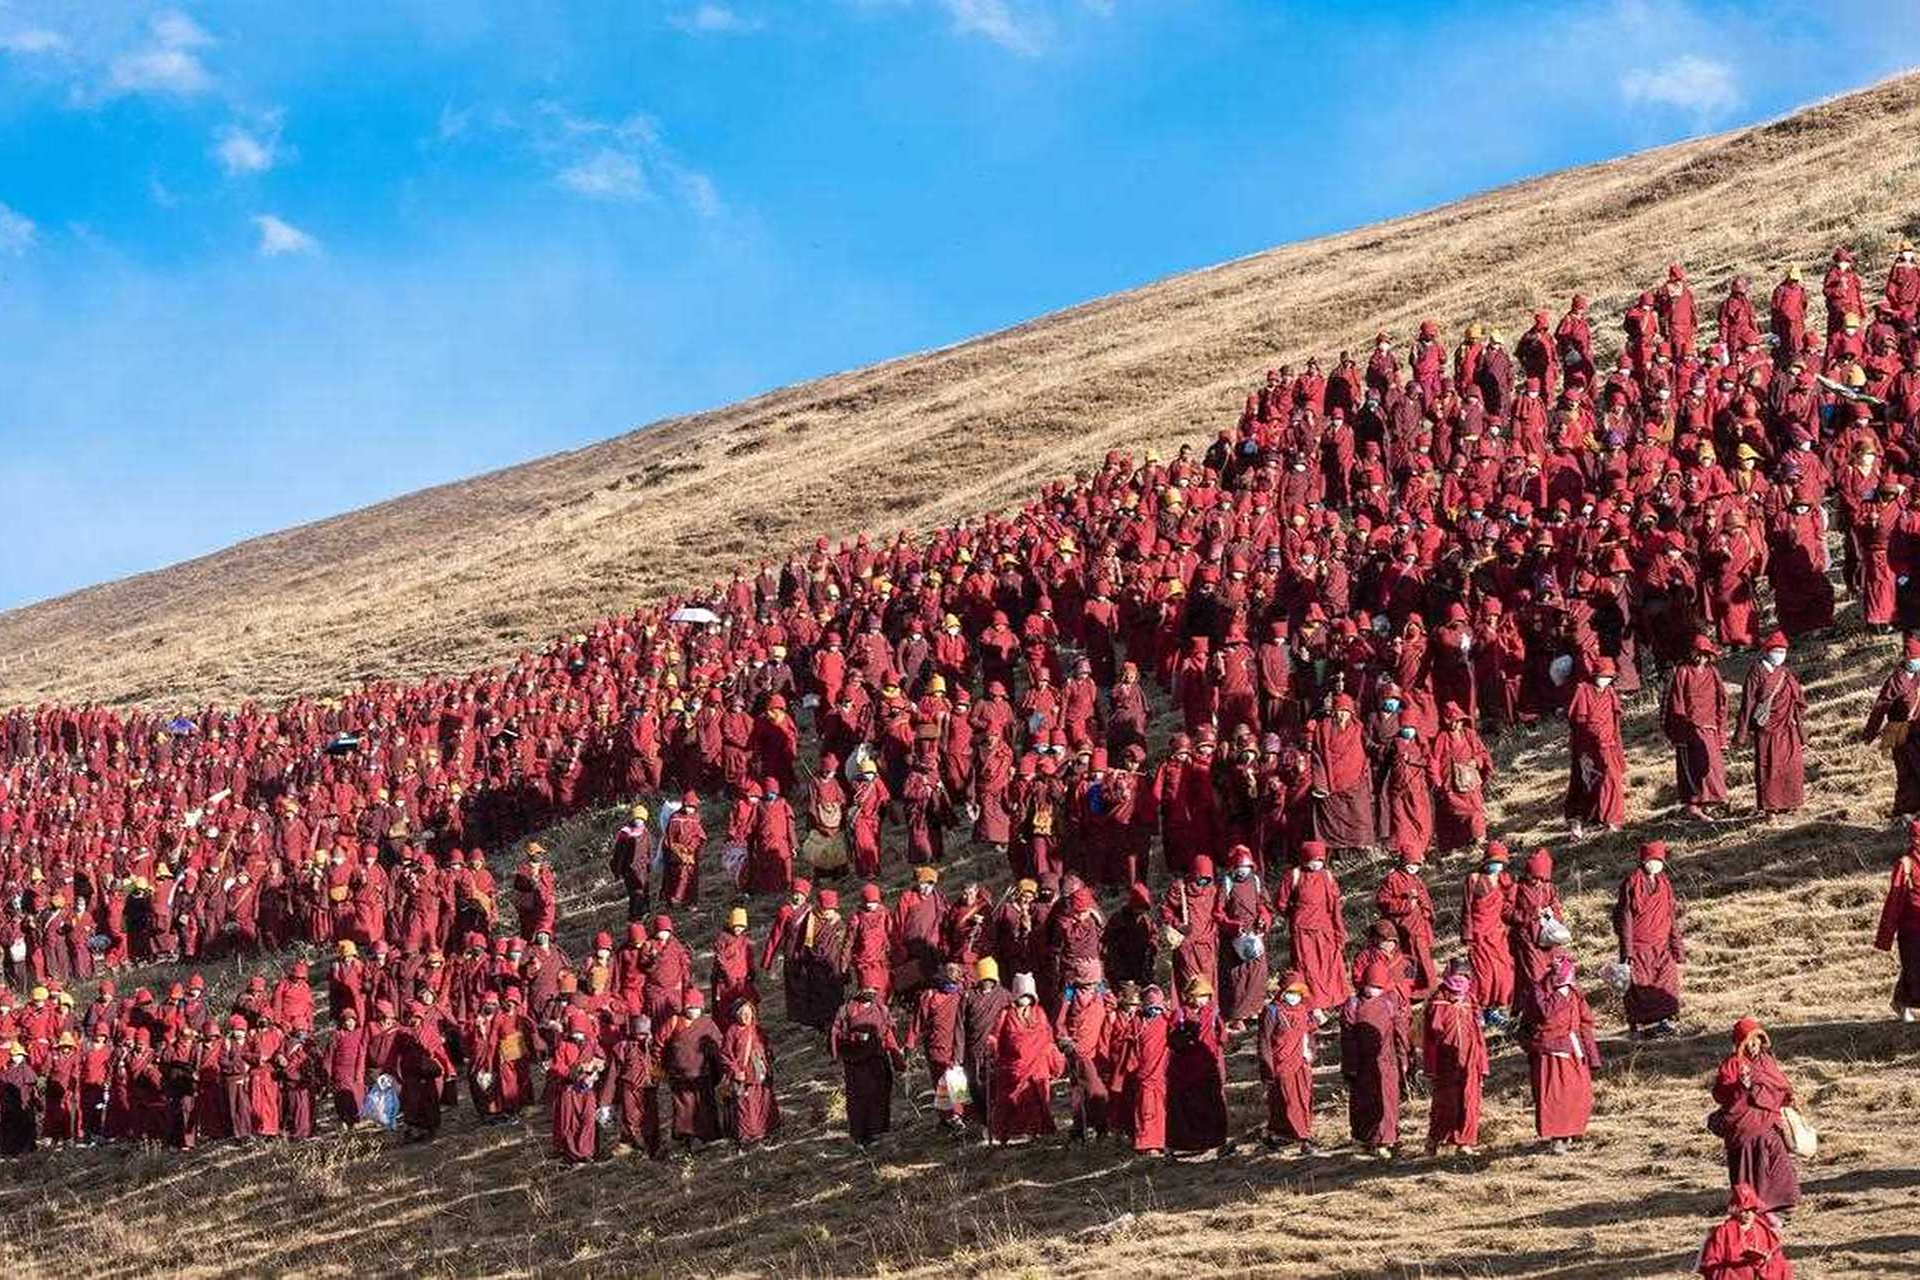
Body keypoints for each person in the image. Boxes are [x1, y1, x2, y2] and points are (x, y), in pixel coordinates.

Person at [1709, 1018, 1801, 1216]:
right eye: (1749, 1041)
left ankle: (1783, 1204)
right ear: (1740, 1042)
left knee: (1778, 1163)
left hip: (1767, 1122)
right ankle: (1751, 1205)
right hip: (1743, 1124)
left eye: (1757, 1040)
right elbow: (1720, 1094)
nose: (1754, 1046)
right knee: (1748, 1166)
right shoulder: (1732, 1064)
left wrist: (1787, 1097)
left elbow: (1779, 1084)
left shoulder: (1766, 1061)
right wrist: (1739, 1088)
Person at [1613, 840, 1686, 1036]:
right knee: (1638, 985)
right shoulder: (1631, 882)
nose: (1656, 864)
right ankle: (1638, 1025)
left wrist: (1677, 947)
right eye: (1652, 860)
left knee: (1666, 980)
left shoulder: (1664, 882)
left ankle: (1663, 1021)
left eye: (1659, 860)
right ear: (1643, 860)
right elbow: (1624, 918)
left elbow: (1670, 915)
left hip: (1661, 944)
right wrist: (1627, 951)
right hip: (1638, 945)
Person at [1527, 953, 1597, 1153]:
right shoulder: (1540, 991)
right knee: (1555, 1096)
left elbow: (1585, 1023)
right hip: (1549, 1052)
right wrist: (1560, 993)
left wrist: (1592, 1055)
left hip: (1573, 1051)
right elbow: (1544, 1016)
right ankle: (1558, 1137)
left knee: (1578, 1094)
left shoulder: (1574, 993)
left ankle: (1571, 1131)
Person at [1732, 633, 1806, 817]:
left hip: (1787, 727)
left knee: (1791, 765)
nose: (1780, 655)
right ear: (1767, 652)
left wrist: (1801, 733)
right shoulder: (1756, 671)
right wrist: (1741, 732)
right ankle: (1770, 807)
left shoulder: (1785, 673)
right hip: (1766, 730)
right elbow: (1748, 701)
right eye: (1777, 651)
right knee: (1769, 767)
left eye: (1783, 651)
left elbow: (1798, 700)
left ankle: (1790, 802)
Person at [1340, 958, 1405, 1160]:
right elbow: (1347, 1037)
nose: (1373, 991)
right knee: (1362, 1102)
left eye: (1378, 987)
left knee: (1387, 1101)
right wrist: (1350, 1066)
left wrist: (1403, 1059)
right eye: (1370, 986)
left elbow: (1399, 1034)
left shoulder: (1389, 1004)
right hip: (1361, 1063)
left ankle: (1386, 1140)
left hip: (1386, 1061)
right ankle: (1362, 1140)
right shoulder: (1352, 1005)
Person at [987, 974, 1062, 1143]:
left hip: (1037, 1064)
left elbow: (1048, 1037)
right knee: (1010, 1099)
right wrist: (990, 1046)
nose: (1025, 999)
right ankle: (1010, 1133)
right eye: (1022, 995)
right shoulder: (1005, 1014)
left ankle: (1034, 1132)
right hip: (1013, 1065)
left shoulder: (1040, 1013)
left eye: (1028, 996)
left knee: (1035, 1098)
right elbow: (995, 1036)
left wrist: (1053, 1057)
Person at [1422, 963, 1487, 1156]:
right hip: (1446, 1060)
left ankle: (1464, 1142)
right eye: (1456, 976)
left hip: (1470, 1059)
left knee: (1470, 1101)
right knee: (1446, 1103)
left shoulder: (1470, 1000)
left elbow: (1478, 1033)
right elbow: (1431, 1035)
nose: (1460, 981)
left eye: (1464, 976)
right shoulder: (1438, 1001)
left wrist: (1481, 1062)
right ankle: (1433, 1140)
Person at [1663, 635, 1730, 819]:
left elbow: (1721, 701)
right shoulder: (1683, 672)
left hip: (1710, 726)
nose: (1701, 658)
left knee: (1712, 766)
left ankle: (1711, 802)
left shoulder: (1713, 672)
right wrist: (1680, 732)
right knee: (1691, 766)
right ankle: (1693, 806)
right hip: (1689, 727)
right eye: (1698, 654)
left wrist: (1721, 729)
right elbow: (1677, 702)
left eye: (1705, 654)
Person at [830, 987, 905, 1147]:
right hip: (855, 1064)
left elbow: (888, 1035)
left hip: (877, 1061)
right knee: (858, 1099)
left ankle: (876, 1131)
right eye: (867, 990)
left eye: (873, 991)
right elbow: (836, 1035)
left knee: (879, 1095)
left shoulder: (881, 1009)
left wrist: (898, 1060)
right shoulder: (846, 1010)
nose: (870, 993)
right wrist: (853, 1041)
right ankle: (859, 1135)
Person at [1166, 976, 1229, 1155]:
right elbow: (1172, 1041)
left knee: (1211, 1104)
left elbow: (1222, 1035)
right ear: (1190, 996)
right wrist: (1187, 1038)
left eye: (1206, 996)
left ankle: (1215, 1143)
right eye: (1199, 996)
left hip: (1208, 1066)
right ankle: (1187, 1145)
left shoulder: (1213, 1012)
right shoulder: (1179, 1014)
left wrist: (1217, 1044)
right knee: (1187, 1107)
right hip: (1185, 1069)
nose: (1203, 1000)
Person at [1566, 658, 1627, 836]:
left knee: (1611, 777)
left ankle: (1612, 818)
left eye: (1608, 677)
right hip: (1588, 745)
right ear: (1594, 675)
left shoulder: (1609, 692)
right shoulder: (1583, 690)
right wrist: (1591, 737)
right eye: (1601, 676)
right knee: (1590, 779)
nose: (1604, 680)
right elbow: (1577, 720)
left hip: (1608, 743)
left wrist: (1613, 742)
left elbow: (1614, 719)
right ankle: (1590, 816)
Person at [1257, 972, 1315, 1154]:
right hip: (1280, 1064)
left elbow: (1308, 1035)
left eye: (1298, 992)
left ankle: (1301, 1135)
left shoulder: (1303, 1010)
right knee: (1285, 1102)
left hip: (1300, 1063)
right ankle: (1296, 1136)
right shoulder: (1272, 1011)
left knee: (1303, 1100)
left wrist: (1310, 1053)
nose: (1294, 996)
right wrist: (1267, 1069)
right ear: (1282, 992)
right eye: (1291, 992)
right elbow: (1264, 1041)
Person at [663, 988, 725, 1149]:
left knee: (705, 1105)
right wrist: (662, 1067)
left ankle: (709, 1135)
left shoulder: (707, 1024)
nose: (694, 1012)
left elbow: (717, 1046)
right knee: (684, 1107)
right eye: (690, 1008)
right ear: (684, 1007)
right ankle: (686, 1136)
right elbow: (660, 1045)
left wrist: (720, 1070)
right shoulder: (674, 1022)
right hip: (680, 1075)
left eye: (697, 1008)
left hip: (703, 1073)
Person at [1873, 820, 1920, 1020]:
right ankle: (1901, 1002)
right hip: (1912, 931)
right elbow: (1894, 902)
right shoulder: (1905, 865)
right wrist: (1885, 938)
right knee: (1914, 968)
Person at [1696, 1185, 1793, 1279]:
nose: (1748, 1214)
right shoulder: (1722, 1232)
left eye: (1752, 1209)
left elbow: (1779, 1262)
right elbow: (1710, 1264)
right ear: (1736, 1210)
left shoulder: (1764, 1231)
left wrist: (1764, 1263)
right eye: (1744, 1210)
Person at [721, 1001, 778, 1149]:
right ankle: (747, 1138)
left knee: (764, 1103)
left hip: (761, 1074)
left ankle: (766, 1132)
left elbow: (766, 1048)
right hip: (743, 1077)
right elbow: (726, 1055)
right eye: (742, 1013)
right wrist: (735, 1071)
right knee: (746, 1108)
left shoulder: (757, 1029)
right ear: (736, 1015)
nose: (746, 1016)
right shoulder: (732, 1032)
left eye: (748, 1012)